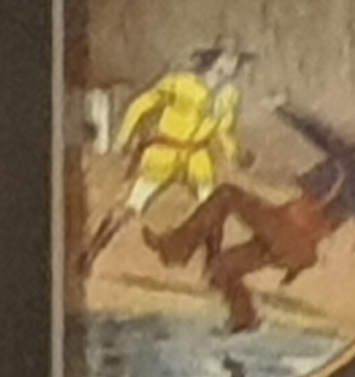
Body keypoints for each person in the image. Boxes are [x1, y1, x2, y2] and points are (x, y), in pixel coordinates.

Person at [84, 40, 251, 261]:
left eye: (236, 60)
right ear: (213, 60)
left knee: (211, 209)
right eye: (228, 58)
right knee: (131, 205)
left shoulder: (229, 95)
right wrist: (124, 137)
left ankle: (213, 265)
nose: (232, 65)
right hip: (165, 152)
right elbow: (141, 105)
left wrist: (235, 155)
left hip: (197, 157)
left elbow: (224, 131)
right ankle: (93, 251)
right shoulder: (179, 82)